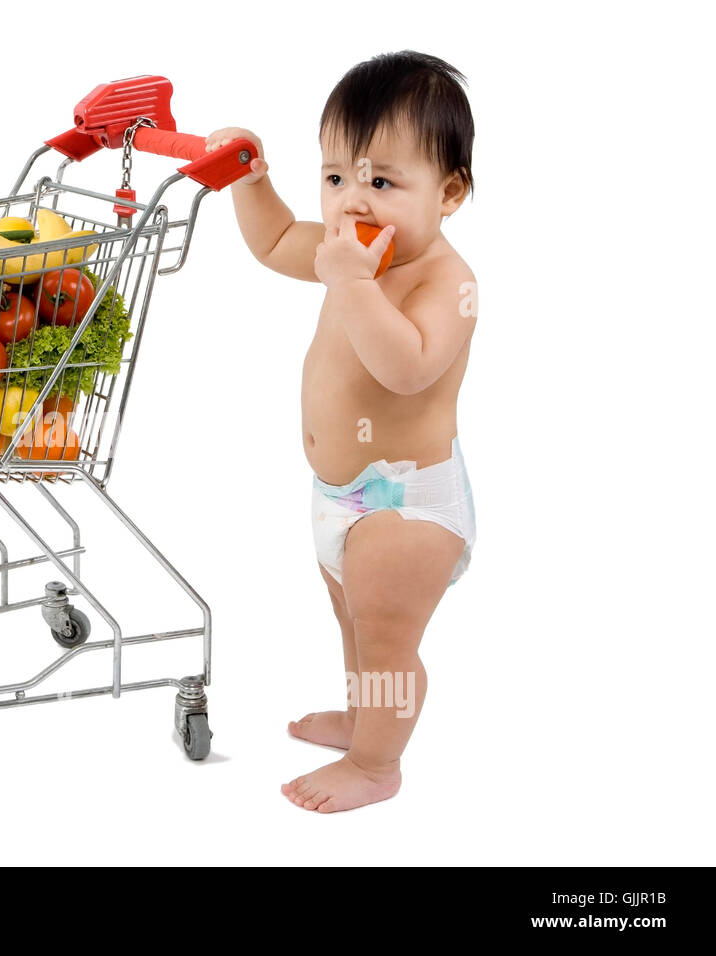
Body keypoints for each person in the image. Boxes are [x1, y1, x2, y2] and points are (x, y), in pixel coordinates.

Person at [207, 50, 478, 812]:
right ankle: (365, 718)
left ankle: (375, 766)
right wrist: (251, 183)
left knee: (387, 638)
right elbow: (269, 245)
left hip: (408, 507)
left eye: (381, 182)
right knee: (351, 618)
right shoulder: (342, 253)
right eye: (336, 178)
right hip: (340, 495)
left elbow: (409, 369)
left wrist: (354, 284)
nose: (351, 203)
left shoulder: (444, 282)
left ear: (449, 192)